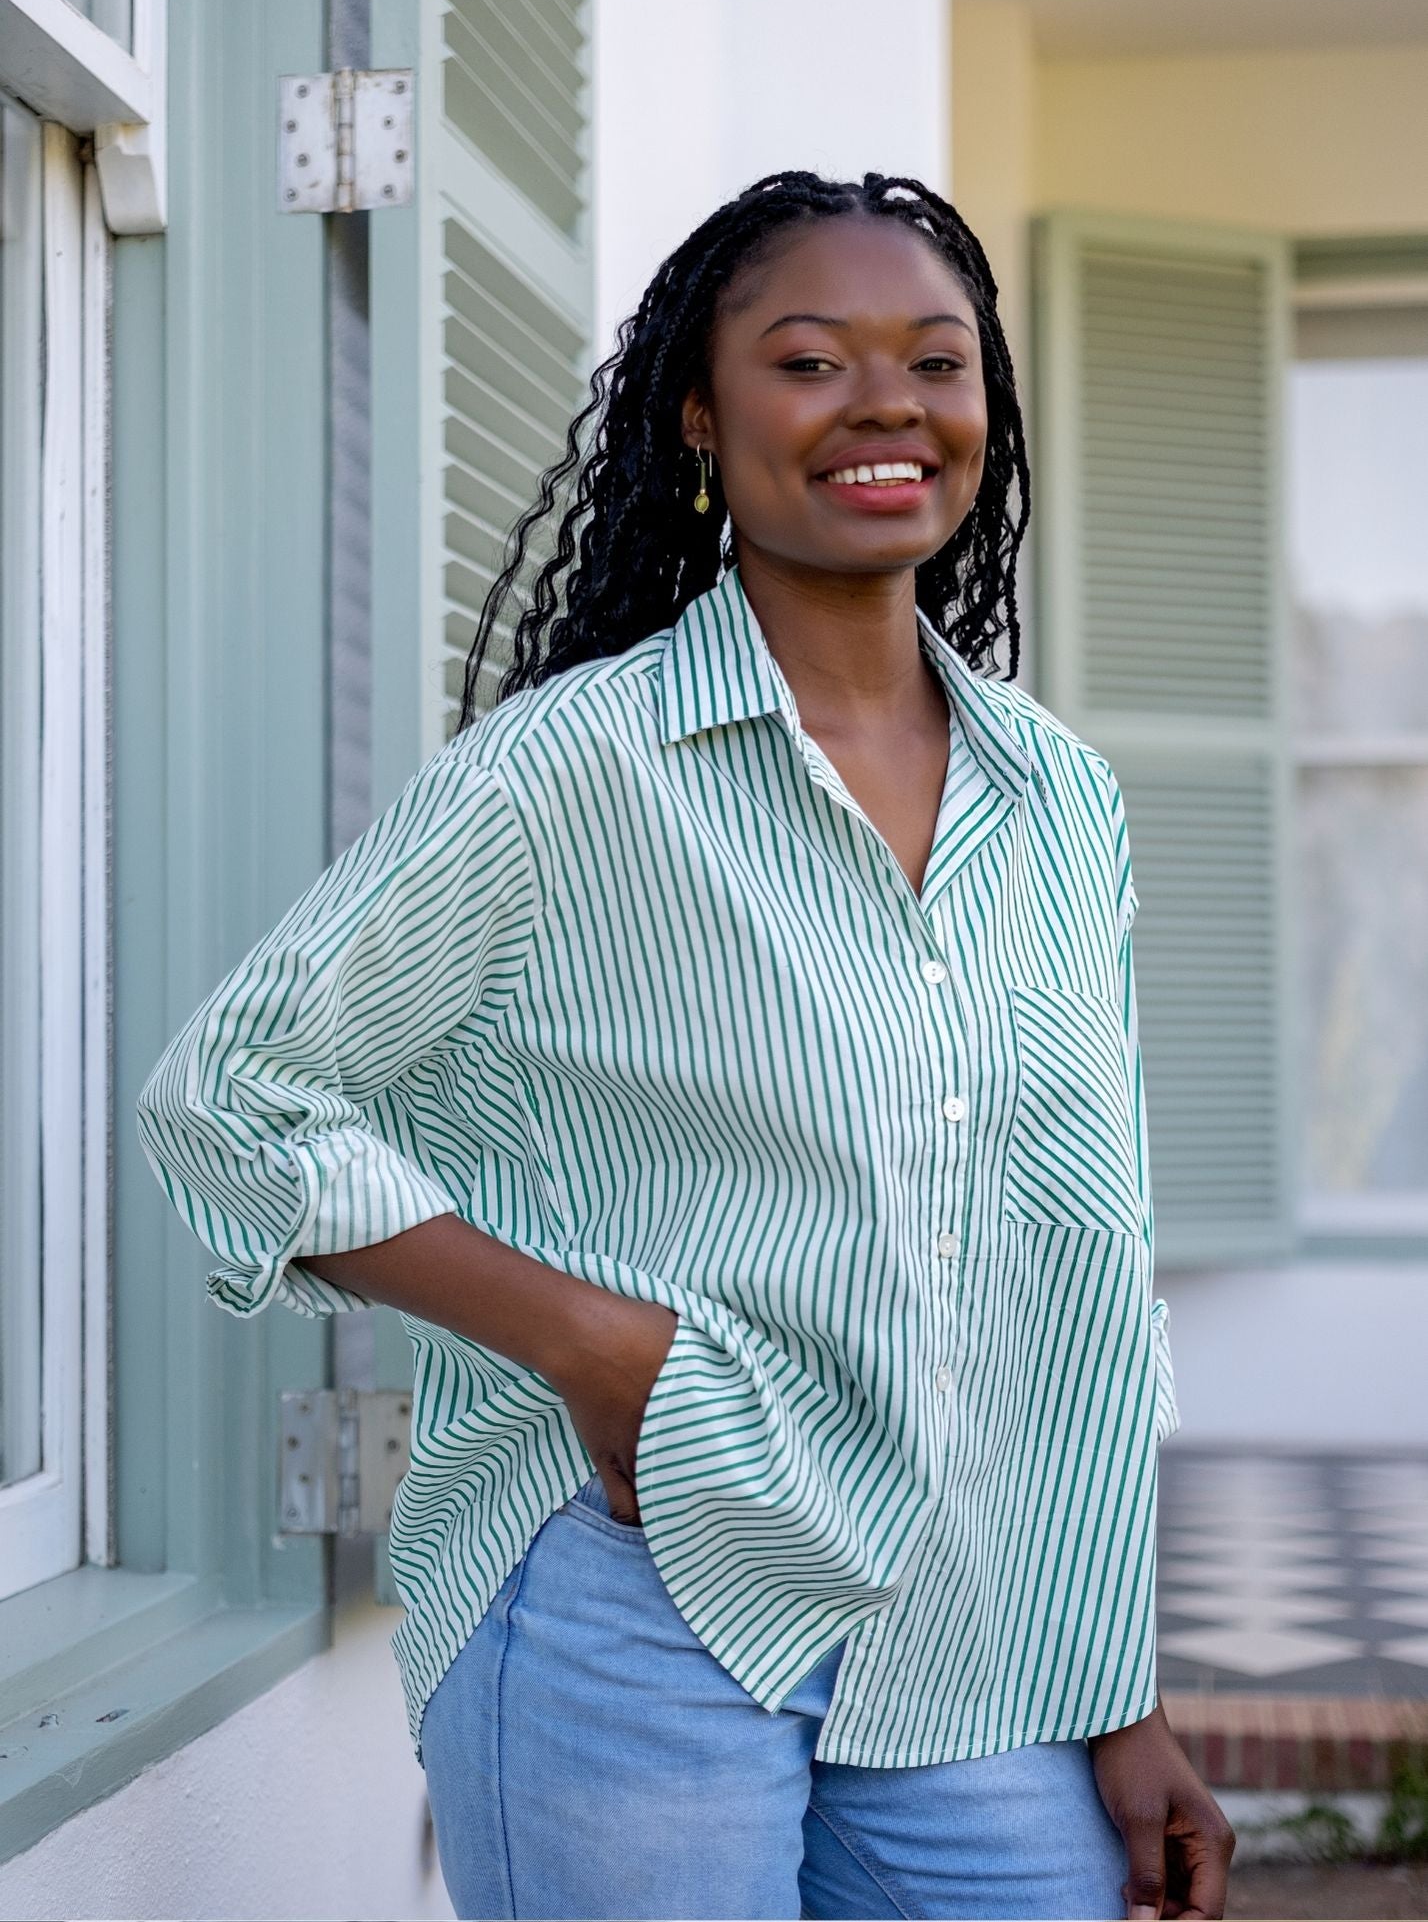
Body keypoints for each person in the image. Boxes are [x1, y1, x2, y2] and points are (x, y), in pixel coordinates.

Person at [135, 169, 1234, 1921]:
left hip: (967, 1630)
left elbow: (1084, 1271)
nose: (886, 402)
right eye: (810, 361)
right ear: (701, 421)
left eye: (936, 361)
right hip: (625, 1587)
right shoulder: (571, 771)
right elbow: (233, 1098)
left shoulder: (1059, 799)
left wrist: (1122, 1691)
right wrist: (594, 1348)